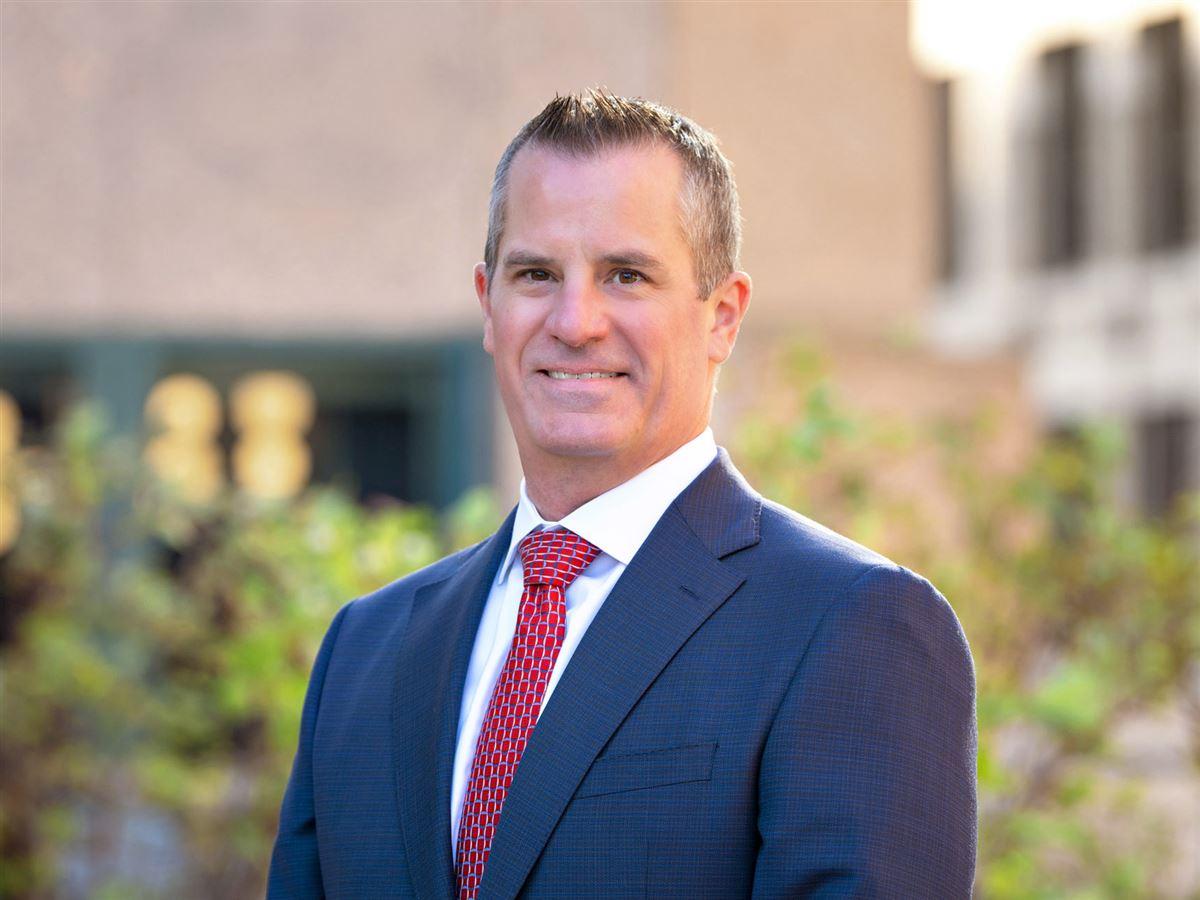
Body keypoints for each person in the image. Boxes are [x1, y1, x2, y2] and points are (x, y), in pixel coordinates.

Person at [268, 89, 977, 899]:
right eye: (537, 274)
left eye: (627, 276)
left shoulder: (850, 626)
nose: (575, 322)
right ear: (489, 306)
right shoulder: (365, 650)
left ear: (722, 317)